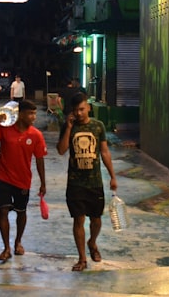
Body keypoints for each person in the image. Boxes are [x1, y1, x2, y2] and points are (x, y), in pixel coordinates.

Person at [0, 99, 46, 262]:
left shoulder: (36, 135)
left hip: (23, 180)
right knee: (3, 211)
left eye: (34, 113)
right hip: (3, 178)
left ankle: (18, 242)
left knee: (21, 213)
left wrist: (43, 182)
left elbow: (40, 159)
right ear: (20, 114)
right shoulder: (4, 129)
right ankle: (6, 247)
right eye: (30, 113)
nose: (33, 117)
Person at [56, 91, 117, 272]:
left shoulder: (98, 127)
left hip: (95, 182)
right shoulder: (69, 126)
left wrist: (113, 176)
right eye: (76, 110)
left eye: (82, 109)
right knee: (78, 221)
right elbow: (61, 150)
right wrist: (67, 127)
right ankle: (82, 258)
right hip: (75, 183)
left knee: (96, 220)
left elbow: (104, 152)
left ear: (88, 107)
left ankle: (92, 242)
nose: (80, 113)